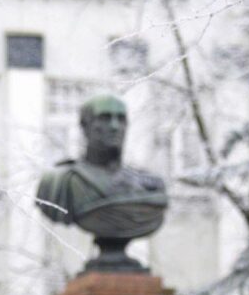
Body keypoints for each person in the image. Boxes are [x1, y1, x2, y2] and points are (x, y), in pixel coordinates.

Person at [36, 95, 168, 271]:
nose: (114, 127)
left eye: (120, 119)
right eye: (105, 118)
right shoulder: (60, 182)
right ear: (85, 126)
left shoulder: (149, 185)